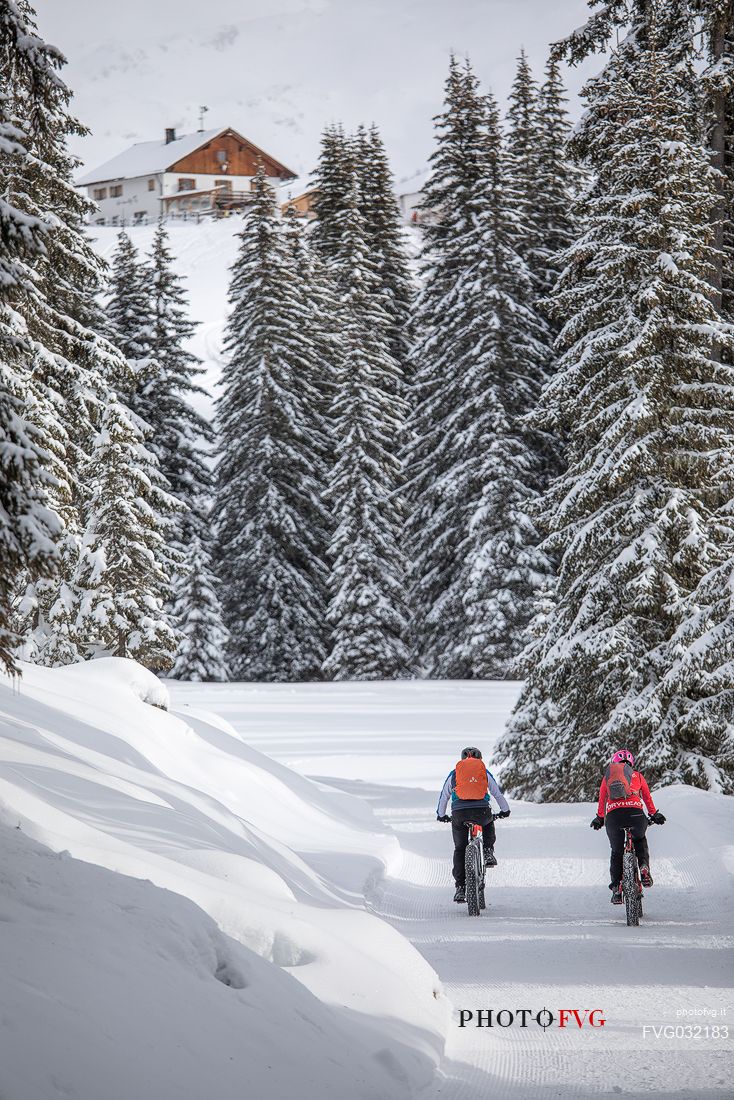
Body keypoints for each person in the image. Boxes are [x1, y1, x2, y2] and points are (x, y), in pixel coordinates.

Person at [590, 749, 666, 904]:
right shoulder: (637, 776)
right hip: (636, 815)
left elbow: (602, 798)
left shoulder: (608, 777)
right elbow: (646, 797)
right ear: (631, 764)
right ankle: (643, 866)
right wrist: (654, 814)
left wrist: (600, 818)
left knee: (617, 852)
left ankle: (617, 888)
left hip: (613, 818)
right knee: (640, 839)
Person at [436, 747, 510, 903]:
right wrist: (505, 810)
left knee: (459, 849)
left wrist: (441, 815)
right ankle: (488, 851)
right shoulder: (483, 772)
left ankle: (460, 888)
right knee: (489, 822)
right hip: (481, 811)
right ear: (480, 759)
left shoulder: (454, 774)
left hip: (459, 813)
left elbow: (444, 796)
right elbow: (497, 793)